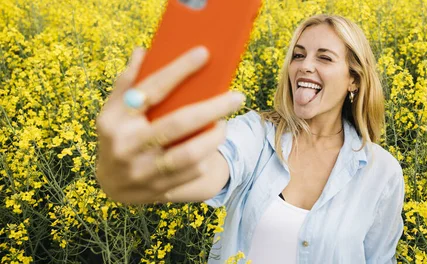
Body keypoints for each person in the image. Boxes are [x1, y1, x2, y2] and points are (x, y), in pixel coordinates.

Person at [96, 14, 405, 263]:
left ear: (354, 78)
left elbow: (379, 258)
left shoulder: (382, 172)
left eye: (324, 58)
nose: (304, 65)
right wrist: (152, 169)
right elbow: (213, 166)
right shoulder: (258, 133)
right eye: (298, 55)